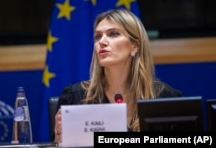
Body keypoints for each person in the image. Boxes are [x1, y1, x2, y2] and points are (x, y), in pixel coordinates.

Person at [53, 9, 182, 142]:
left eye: (113, 34)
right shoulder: (75, 97)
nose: (102, 42)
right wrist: (59, 136)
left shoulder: (165, 98)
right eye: (98, 36)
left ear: (135, 46)